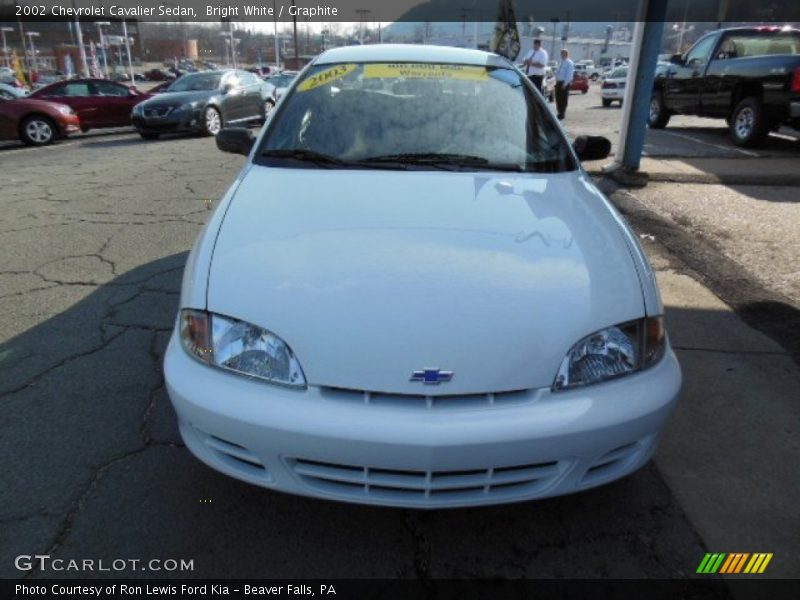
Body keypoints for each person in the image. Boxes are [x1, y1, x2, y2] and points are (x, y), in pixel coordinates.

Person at [555, 49, 575, 120]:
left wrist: (565, 84)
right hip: (558, 82)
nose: (562, 55)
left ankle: (562, 113)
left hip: (564, 83)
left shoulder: (569, 63)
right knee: (558, 98)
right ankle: (559, 112)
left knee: (563, 99)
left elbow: (569, 75)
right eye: (561, 54)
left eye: (563, 54)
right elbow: (558, 72)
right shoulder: (561, 62)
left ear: (567, 54)